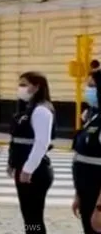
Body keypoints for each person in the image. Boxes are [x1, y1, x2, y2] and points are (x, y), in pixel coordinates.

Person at [7, 71, 55, 234]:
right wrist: (12, 163)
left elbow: (42, 143)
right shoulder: (27, 108)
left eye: (24, 84)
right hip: (23, 167)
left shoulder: (41, 110)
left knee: (33, 216)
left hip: (36, 171)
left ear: (36, 87)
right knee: (28, 216)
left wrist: (28, 169)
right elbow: (17, 139)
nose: (20, 88)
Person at [72, 70, 101, 233]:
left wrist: (100, 207)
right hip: (87, 193)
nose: (87, 90)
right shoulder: (94, 117)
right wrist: (79, 194)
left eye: (92, 86)